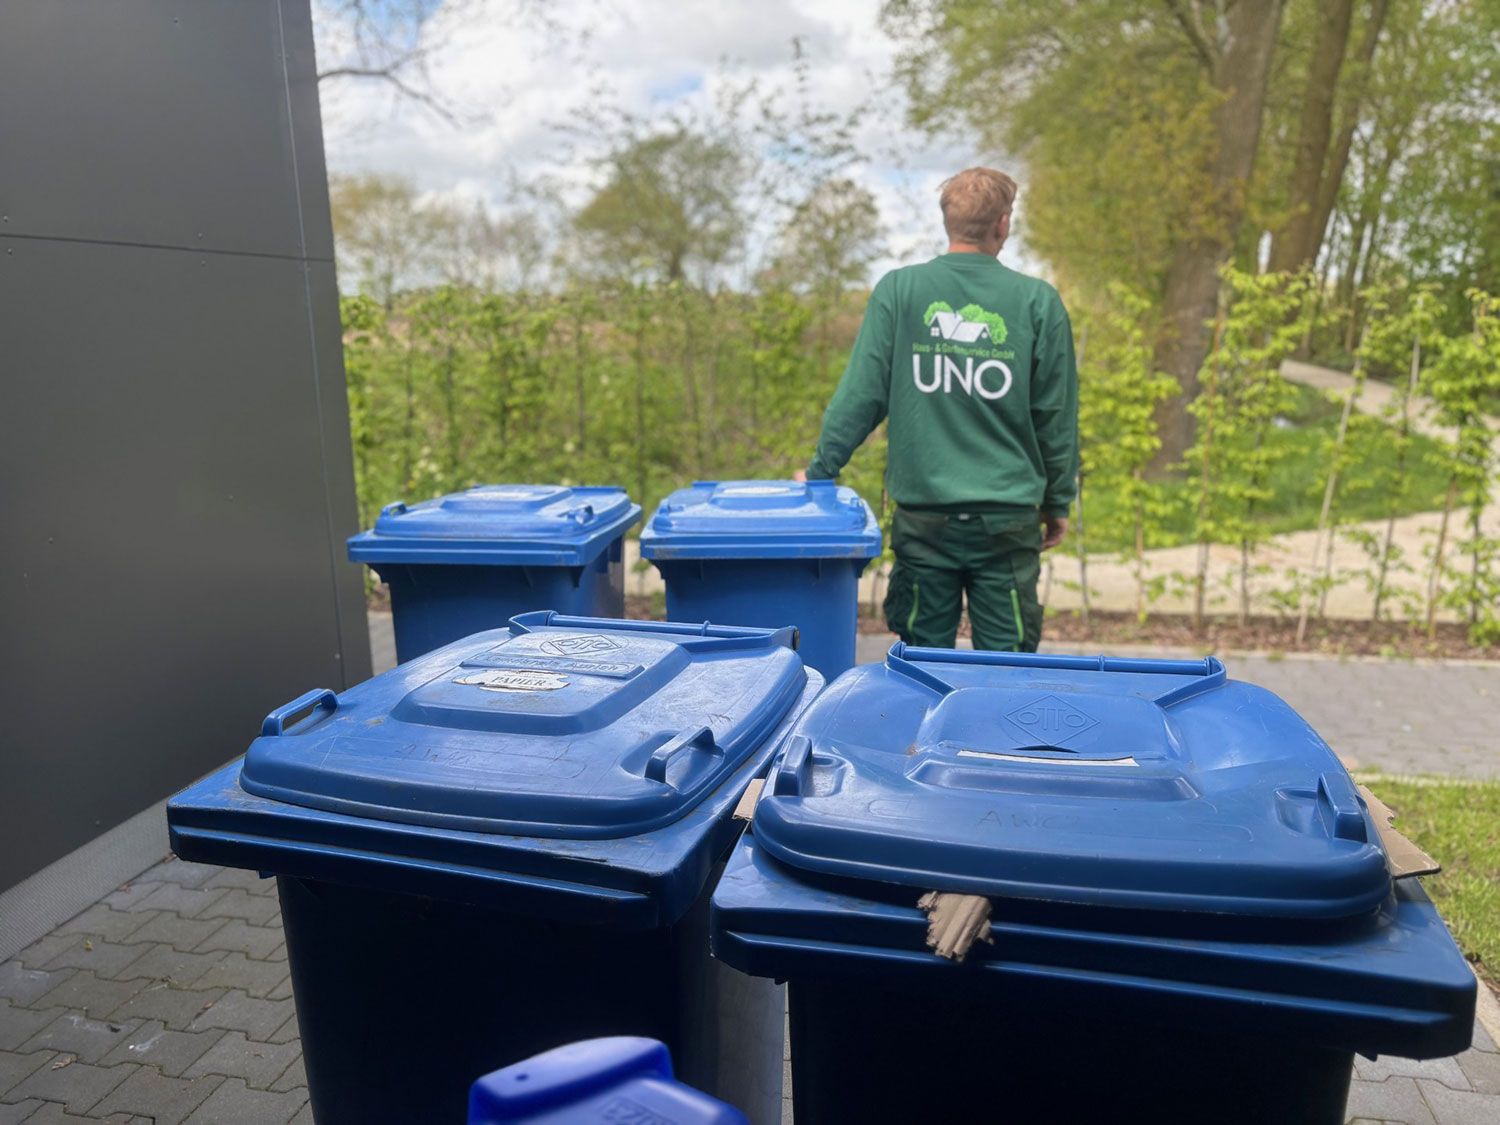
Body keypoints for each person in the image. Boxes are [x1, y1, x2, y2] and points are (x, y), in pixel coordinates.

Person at [801, 167, 1078, 652]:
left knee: (923, 662)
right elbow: (1054, 415)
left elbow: (862, 395)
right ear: (1003, 224)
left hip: (924, 520)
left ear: (948, 223)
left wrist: (821, 471)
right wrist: (1057, 502)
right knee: (1007, 664)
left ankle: (928, 730)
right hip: (1008, 522)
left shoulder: (900, 290)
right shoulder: (1038, 302)